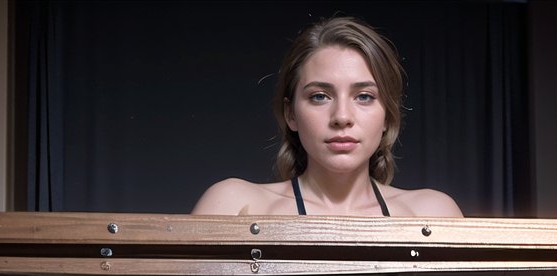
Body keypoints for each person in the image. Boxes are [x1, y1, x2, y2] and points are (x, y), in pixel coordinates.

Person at [191, 16, 463, 218]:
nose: (342, 117)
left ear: (388, 117)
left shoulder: (434, 214)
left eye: (364, 96)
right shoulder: (232, 205)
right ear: (290, 114)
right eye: (320, 96)